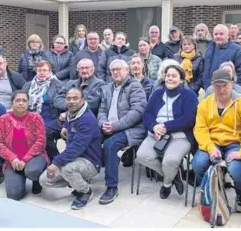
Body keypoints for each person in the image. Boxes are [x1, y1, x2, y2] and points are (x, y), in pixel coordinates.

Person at [192, 69, 241, 212]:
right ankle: (210, 189)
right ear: (212, 86)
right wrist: (210, 147)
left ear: (232, 84)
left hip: (235, 144)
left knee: (236, 169)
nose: (221, 89)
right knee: (197, 164)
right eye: (217, 86)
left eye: (225, 85)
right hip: (213, 142)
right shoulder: (205, 104)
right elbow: (200, 129)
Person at [137, 65, 198, 199]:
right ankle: (174, 175)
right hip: (156, 134)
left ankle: (166, 183)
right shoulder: (157, 93)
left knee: (170, 161)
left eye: (174, 76)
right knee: (142, 156)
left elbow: (189, 119)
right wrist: (154, 126)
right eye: (168, 75)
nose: (170, 78)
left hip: (179, 136)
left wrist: (165, 126)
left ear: (181, 79)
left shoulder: (189, 95)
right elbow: (147, 113)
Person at [40, 88, 102, 210]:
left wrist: (56, 163)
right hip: (75, 159)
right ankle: (77, 182)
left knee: (66, 169)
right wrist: (65, 126)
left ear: (82, 100)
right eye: (68, 98)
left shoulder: (87, 119)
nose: (71, 101)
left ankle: (85, 191)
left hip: (90, 162)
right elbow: (70, 122)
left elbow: (75, 148)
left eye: (75, 98)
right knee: (44, 180)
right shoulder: (71, 113)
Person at [97, 59, 147, 204]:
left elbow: (137, 112)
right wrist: (102, 123)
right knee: (89, 137)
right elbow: (101, 110)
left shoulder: (135, 86)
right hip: (110, 126)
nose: (116, 72)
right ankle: (86, 175)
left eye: (119, 69)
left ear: (127, 70)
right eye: (113, 70)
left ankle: (111, 187)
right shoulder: (107, 88)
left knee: (110, 145)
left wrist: (115, 126)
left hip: (131, 129)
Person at [0, 91, 49, 200]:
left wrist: (24, 160)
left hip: (34, 157)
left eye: (24, 100)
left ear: (28, 103)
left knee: (33, 171)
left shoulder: (36, 118)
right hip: (12, 162)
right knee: (13, 195)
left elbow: (41, 141)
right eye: (17, 100)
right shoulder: (3, 119)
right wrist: (12, 158)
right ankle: (21, 176)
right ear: (12, 103)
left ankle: (35, 179)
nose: (21, 103)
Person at [22, 60, 63, 161]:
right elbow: (22, 102)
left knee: (43, 133)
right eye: (39, 70)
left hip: (52, 118)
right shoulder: (28, 85)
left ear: (50, 71)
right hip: (32, 118)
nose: (42, 73)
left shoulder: (58, 85)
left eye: (45, 70)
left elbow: (62, 103)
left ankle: (56, 160)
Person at [203, 24, 241, 90]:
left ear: (228, 36)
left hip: (229, 91)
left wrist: (231, 89)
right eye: (216, 34)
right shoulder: (209, 49)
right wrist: (207, 87)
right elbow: (205, 71)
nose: (218, 36)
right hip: (211, 89)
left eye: (221, 34)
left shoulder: (238, 50)